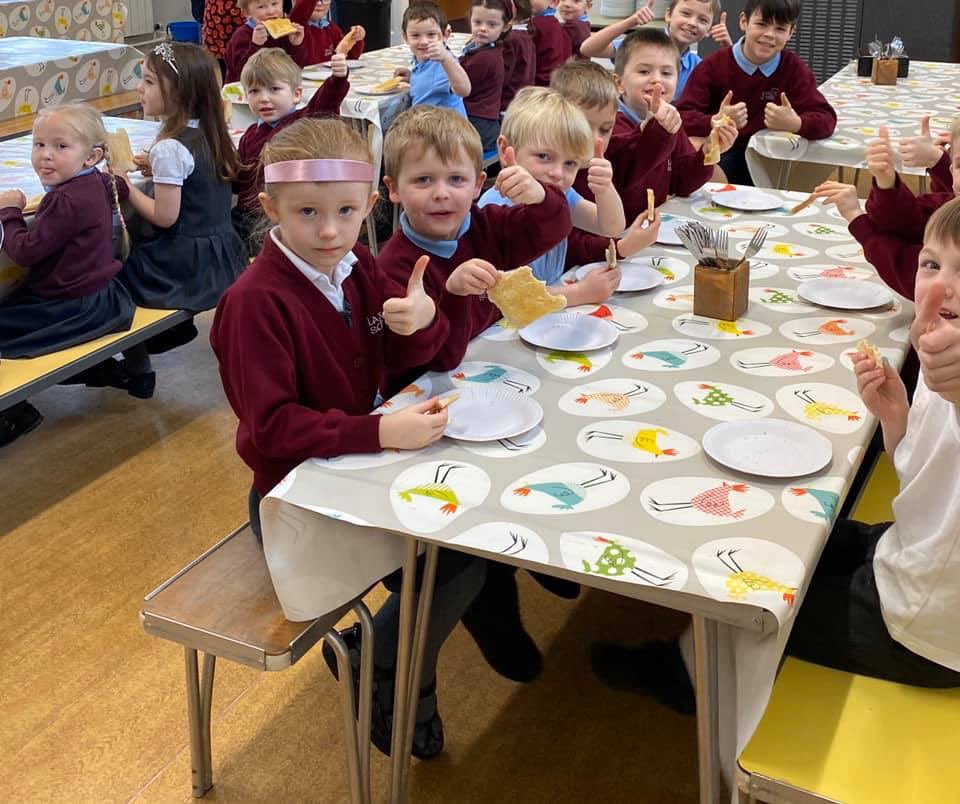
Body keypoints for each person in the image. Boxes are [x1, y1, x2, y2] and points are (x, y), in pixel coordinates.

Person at [210, 117, 485, 759]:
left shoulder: (356, 266)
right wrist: (380, 429)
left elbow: (407, 361)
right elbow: (271, 430)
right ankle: (395, 673)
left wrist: (423, 321)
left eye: (346, 212)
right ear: (270, 208)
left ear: (368, 207)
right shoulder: (254, 302)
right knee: (453, 559)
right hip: (295, 498)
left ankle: (384, 655)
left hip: (357, 472)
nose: (330, 231)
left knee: (470, 546)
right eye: (307, 212)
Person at [785, 196, 960, 688]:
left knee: (749, 613)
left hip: (925, 628)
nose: (941, 286)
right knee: (788, 535)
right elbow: (925, 471)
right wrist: (897, 416)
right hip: (909, 547)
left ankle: (682, 674)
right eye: (932, 264)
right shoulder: (937, 342)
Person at [378, 104, 573, 392]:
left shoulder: (487, 225)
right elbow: (443, 360)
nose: (441, 193)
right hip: (427, 394)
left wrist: (540, 196)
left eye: (456, 179)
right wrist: (454, 294)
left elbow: (555, 228)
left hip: (492, 366)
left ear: (478, 185)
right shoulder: (394, 269)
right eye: (423, 180)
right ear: (394, 188)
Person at [0, 105, 136, 446]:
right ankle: (101, 368)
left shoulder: (65, 200)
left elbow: (25, 251)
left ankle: (14, 412)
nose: (45, 155)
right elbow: (120, 184)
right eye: (38, 144)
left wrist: (11, 211)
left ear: (92, 156)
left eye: (60, 147)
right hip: (103, 296)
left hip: (70, 308)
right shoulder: (99, 181)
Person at [113, 43, 245, 387]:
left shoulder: (170, 147)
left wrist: (125, 186)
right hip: (223, 251)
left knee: (115, 272)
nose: (139, 89)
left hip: (186, 263)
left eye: (149, 81)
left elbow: (164, 217)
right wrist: (156, 168)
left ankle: (139, 367)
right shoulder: (211, 131)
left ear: (178, 91)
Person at [555, 35, 736, 221]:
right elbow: (630, 167)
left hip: (652, 227)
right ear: (619, 83)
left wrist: (708, 151)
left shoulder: (671, 123)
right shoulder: (609, 126)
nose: (657, 80)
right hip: (620, 230)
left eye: (666, 73)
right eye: (644, 71)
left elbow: (682, 184)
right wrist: (655, 130)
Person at [479, 86, 627, 306]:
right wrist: (581, 292)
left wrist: (605, 189)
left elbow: (611, 227)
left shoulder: (562, 195)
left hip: (552, 313)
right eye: (544, 156)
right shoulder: (494, 208)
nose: (557, 173)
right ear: (505, 148)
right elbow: (504, 298)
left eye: (570, 163)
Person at [676, 0, 836, 186]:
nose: (769, 34)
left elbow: (826, 118)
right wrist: (714, 120)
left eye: (780, 28)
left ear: (791, 32)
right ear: (744, 22)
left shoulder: (794, 69)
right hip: (724, 156)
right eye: (761, 24)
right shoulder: (712, 66)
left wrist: (796, 123)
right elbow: (682, 116)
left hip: (772, 161)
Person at [813, 120, 959, 302]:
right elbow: (910, 222)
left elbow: (909, 272)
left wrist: (857, 220)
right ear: (952, 171)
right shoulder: (949, 205)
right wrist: (886, 182)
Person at [233, 47, 350, 244]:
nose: (264, 98)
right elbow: (240, 178)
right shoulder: (250, 134)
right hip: (246, 213)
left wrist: (337, 79)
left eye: (274, 89)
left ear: (296, 94)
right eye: (254, 91)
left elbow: (325, 103)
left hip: (283, 216)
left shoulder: (302, 122)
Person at [580, 0, 732, 97]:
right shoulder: (641, 44)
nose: (692, 23)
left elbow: (729, 86)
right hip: (627, 122)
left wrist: (728, 47)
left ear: (709, 30)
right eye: (686, 14)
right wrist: (630, 21)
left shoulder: (697, 65)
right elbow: (588, 48)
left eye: (703, 20)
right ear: (668, 15)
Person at [393, 3, 471, 117]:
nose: (424, 41)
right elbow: (432, 82)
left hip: (444, 126)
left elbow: (464, 90)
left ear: (445, 35)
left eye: (431, 34)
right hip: (425, 122)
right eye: (415, 35)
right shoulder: (421, 59)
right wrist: (412, 77)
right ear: (405, 37)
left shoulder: (442, 63)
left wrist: (446, 59)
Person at [459, 0, 511, 152]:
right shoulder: (483, 48)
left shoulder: (486, 58)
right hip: (483, 120)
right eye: (477, 22)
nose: (482, 28)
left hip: (478, 124)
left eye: (492, 25)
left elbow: (458, 86)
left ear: (505, 27)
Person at [224, 0, 308, 82]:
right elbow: (241, 74)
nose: (271, 12)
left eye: (274, 3)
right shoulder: (242, 36)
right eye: (261, 7)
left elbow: (297, 67)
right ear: (247, 13)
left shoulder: (286, 31)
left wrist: (296, 45)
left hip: (280, 84)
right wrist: (255, 45)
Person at [288, 0, 364, 64]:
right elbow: (301, 9)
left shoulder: (331, 27)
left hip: (330, 75)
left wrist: (355, 39)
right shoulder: (296, 25)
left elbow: (348, 57)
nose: (319, 3)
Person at [500, 0, 536, 113]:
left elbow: (503, 76)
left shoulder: (512, 39)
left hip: (508, 102)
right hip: (521, 99)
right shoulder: (524, 35)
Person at [528, 0, 571, 86]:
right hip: (557, 83)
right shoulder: (554, 23)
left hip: (541, 85)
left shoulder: (536, 25)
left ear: (554, 2)